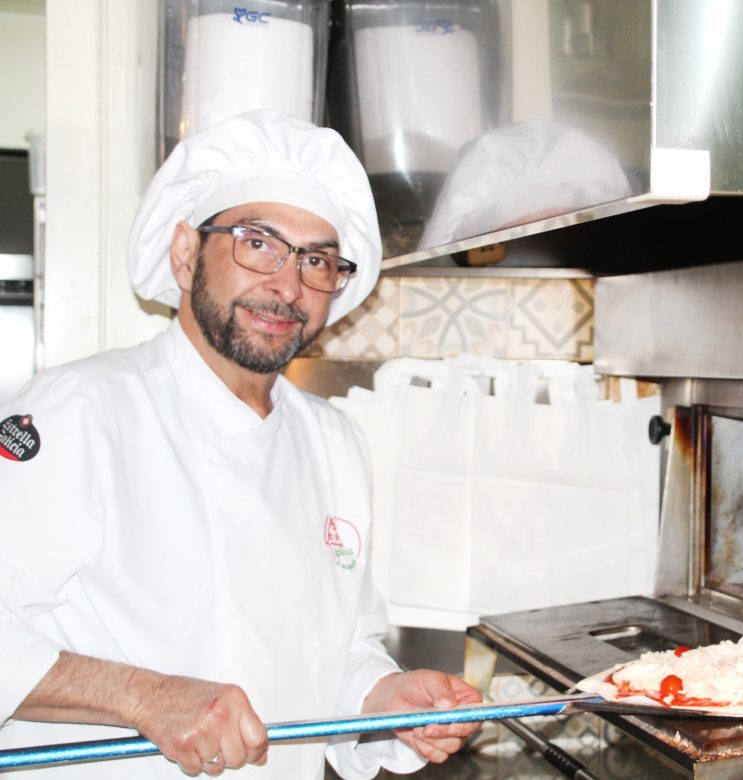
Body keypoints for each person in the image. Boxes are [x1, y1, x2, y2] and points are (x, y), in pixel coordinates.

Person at [0, 111, 481, 778]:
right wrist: (148, 698)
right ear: (185, 252)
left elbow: (335, 653)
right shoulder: (78, 413)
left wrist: (384, 697)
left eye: (316, 260)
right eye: (259, 243)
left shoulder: (335, 442)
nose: (287, 285)